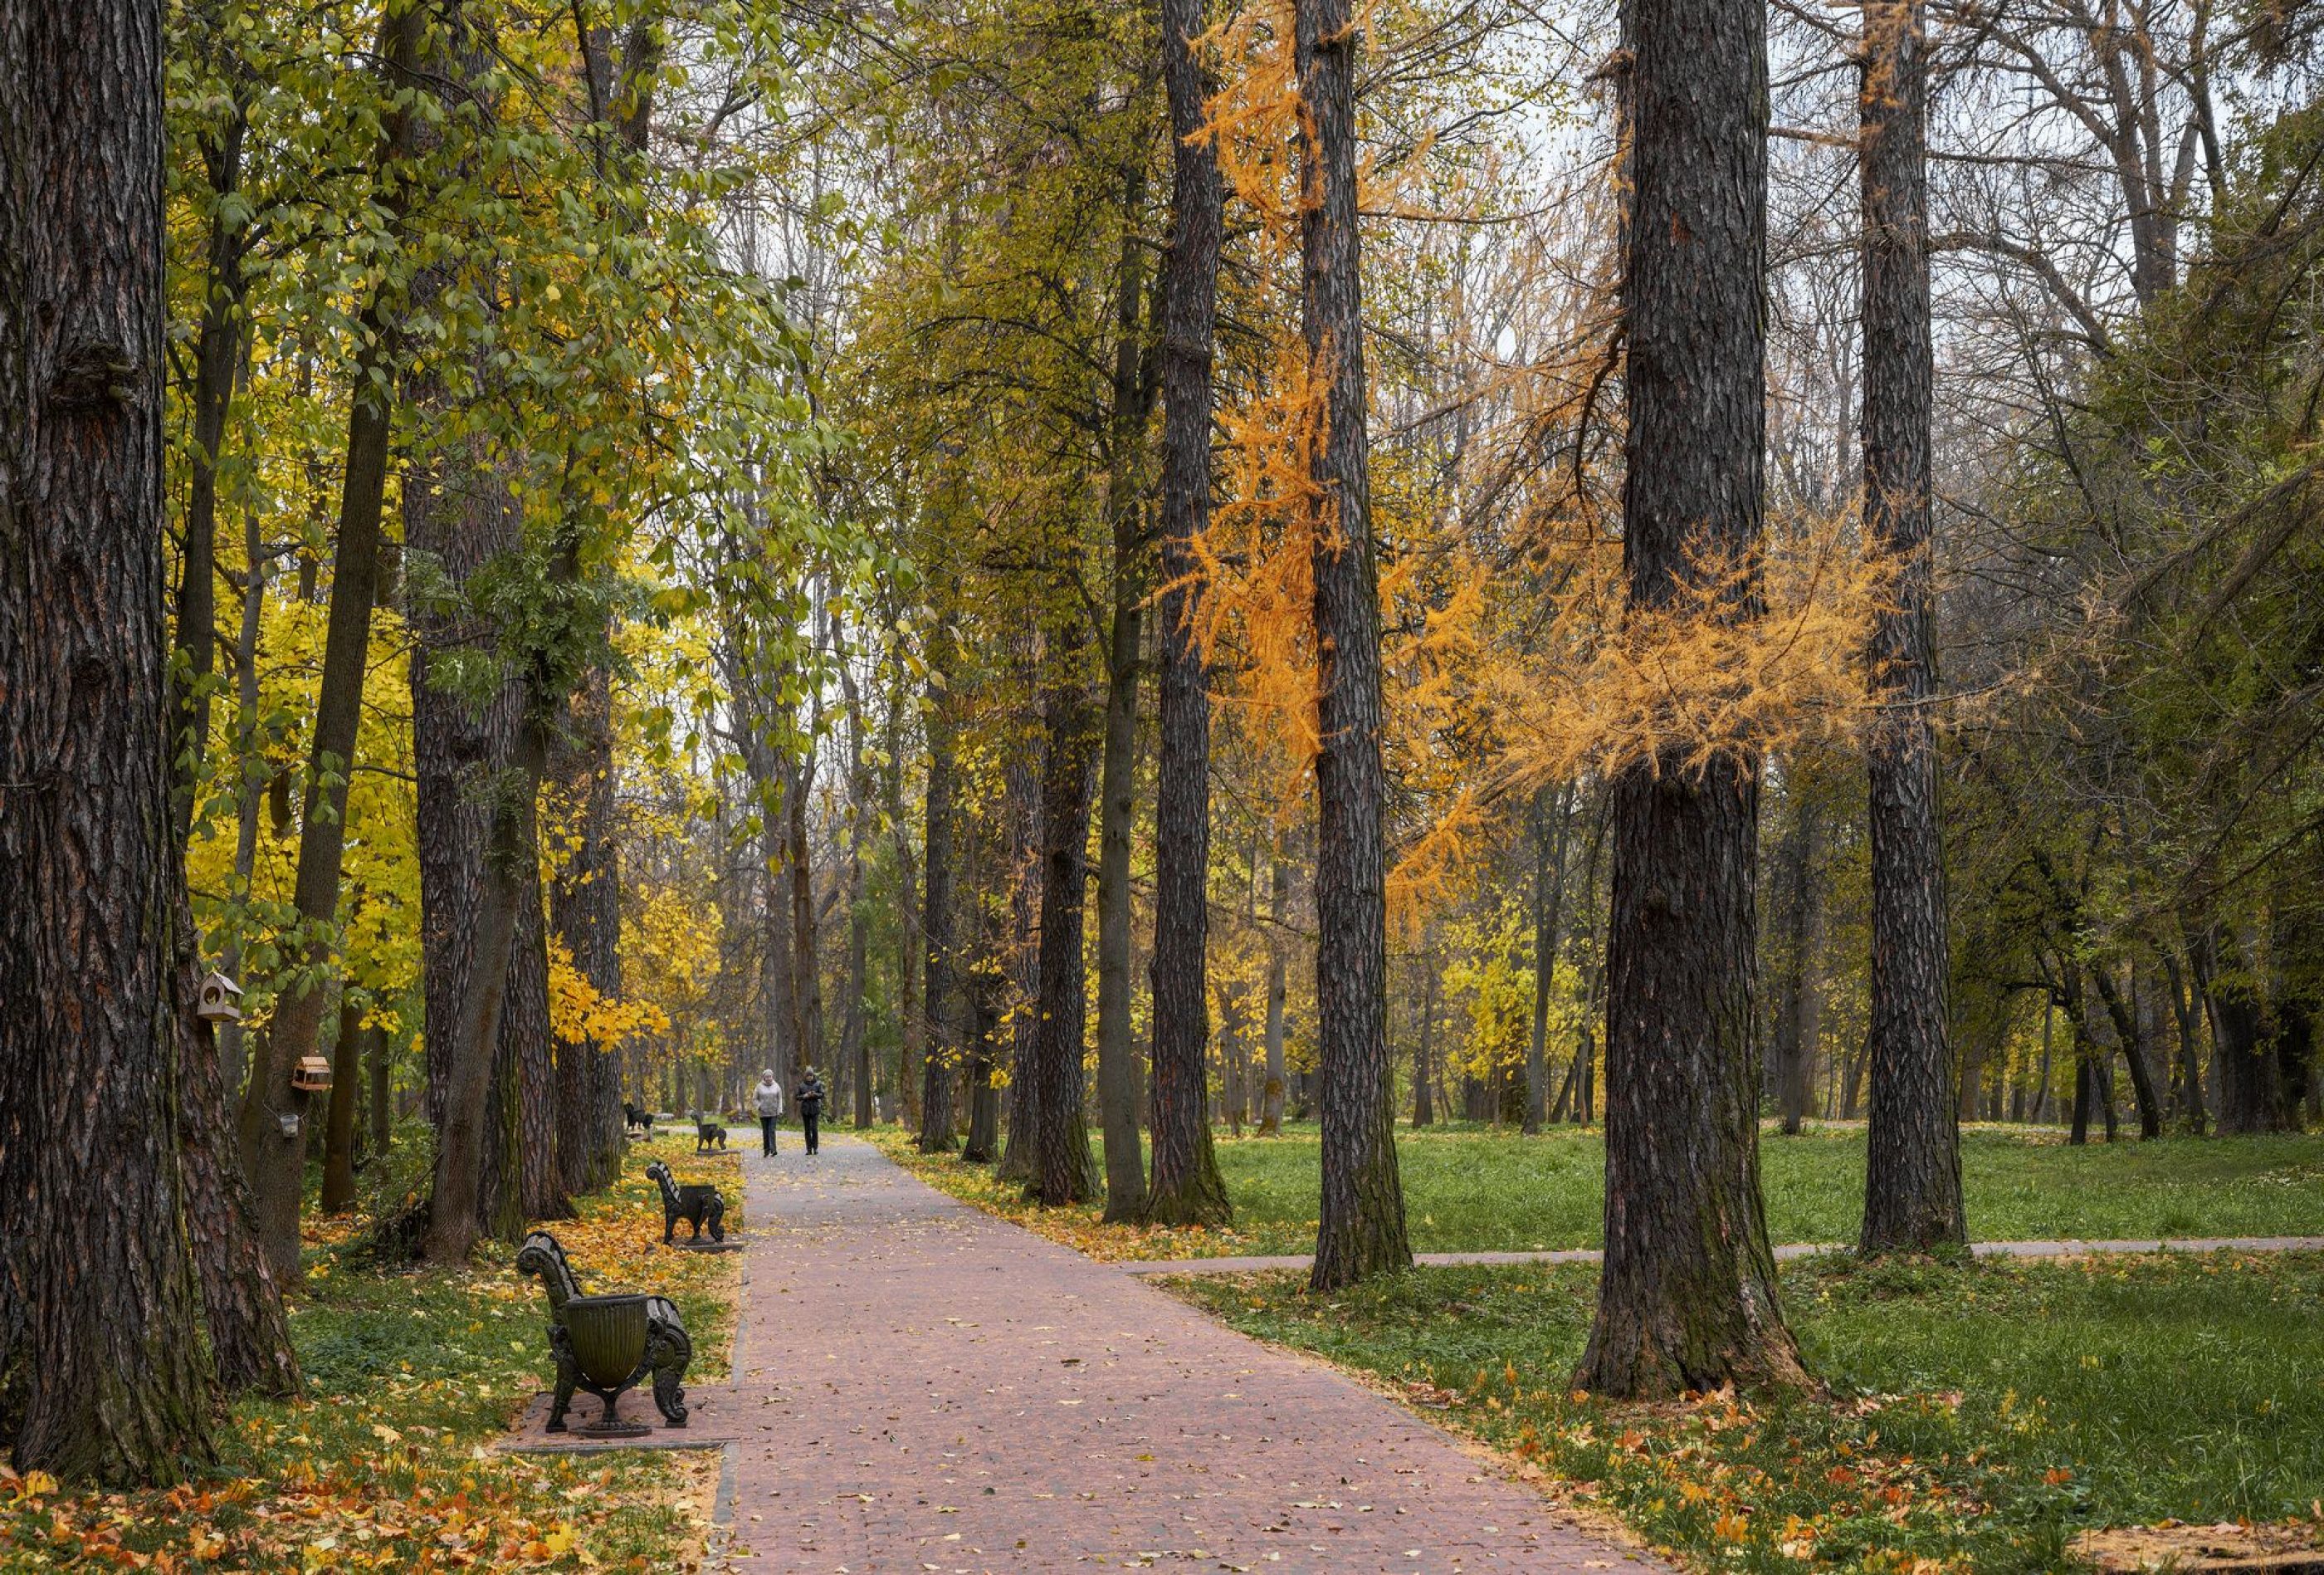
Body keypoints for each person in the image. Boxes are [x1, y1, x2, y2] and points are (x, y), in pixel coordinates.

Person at [794, 1067, 827, 1156]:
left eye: (811, 1075)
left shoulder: (818, 1084)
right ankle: (809, 1149)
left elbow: (822, 1094)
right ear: (805, 1076)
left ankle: (815, 1148)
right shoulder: (801, 1085)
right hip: (805, 1109)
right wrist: (804, 1096)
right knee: (807, 1130)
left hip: (815, 1109)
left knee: (815, 1129)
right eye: (808, 1076)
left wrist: (814, 1094)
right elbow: (797, 1097)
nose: (809, 1077)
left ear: (813, 1076)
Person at [753, 1068, 784, 1157]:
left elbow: (780, 1099)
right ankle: (766, 1150)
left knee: (772, 1131)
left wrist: (780, 1110)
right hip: (763, 1113)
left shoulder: (776, 1086)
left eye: (770, 1076)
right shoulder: (759, 1087)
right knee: (765, 1132)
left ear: (772, 1077)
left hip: (773, 1112)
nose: (769, 1078)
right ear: (764, 1077)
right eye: (767, 1077)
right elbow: (754, 1099)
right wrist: (759, 1106)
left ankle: (773, 1150)